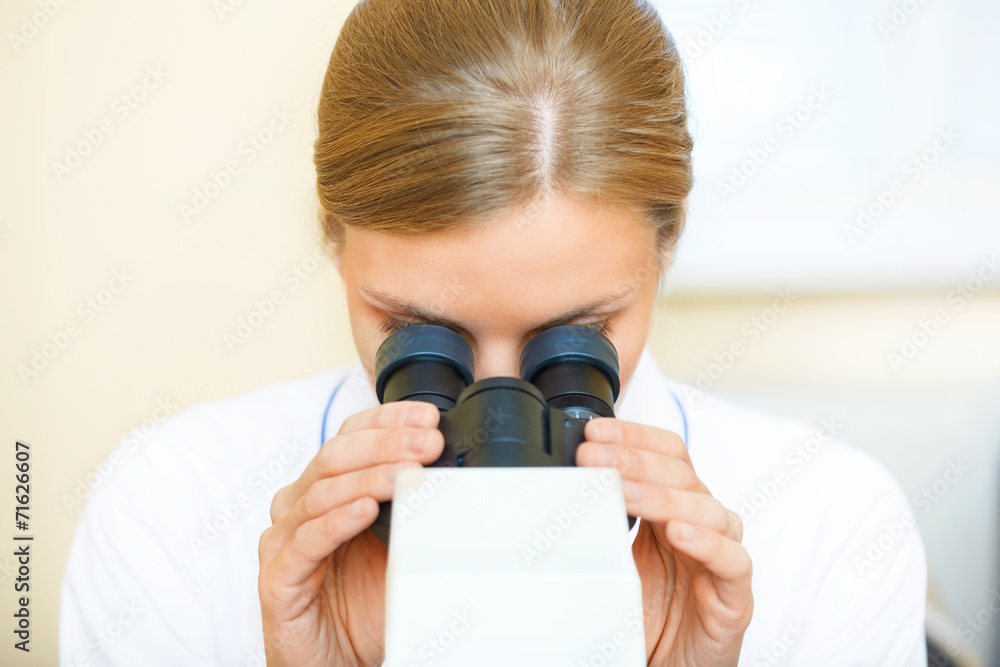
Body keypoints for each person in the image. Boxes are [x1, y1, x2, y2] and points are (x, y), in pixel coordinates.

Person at [60, 0, 927, 664]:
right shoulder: (165, 508)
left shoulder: (832, 527)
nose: (494, 411)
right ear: (333, 238)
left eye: (576, 338)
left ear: (668, 248)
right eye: (419, 334)